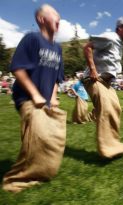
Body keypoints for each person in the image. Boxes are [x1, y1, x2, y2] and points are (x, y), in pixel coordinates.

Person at [2, 4, 66, 193]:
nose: (58, 19)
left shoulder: (58, 48)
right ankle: (17, 178)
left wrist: (53, 97)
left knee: (48, 136)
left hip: (45, 100)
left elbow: (57, 78)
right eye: (54, 15)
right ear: (41, 19)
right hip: (26, 97)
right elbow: (18, 68)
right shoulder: (32, 39)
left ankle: (39, 169)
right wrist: (35, 94)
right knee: (39, 134)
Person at [82, 16, 123, 158]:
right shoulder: (110, 37)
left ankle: (114, 144)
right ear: (120, 28)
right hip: (94, 78)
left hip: (106, 81)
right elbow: (87, 47)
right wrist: (93, 69)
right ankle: (107, 148)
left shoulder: (121, 44)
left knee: (116, 108)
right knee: (106, 108)